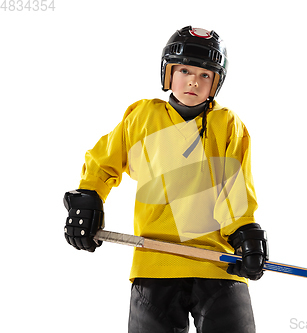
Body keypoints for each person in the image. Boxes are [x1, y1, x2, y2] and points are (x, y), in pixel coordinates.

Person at [63, 26, 268, 333]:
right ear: (168, 72)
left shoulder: (228, 124)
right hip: (155, 262)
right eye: (185, 70)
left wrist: (245, 232)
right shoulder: (142, 117)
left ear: (216, 83)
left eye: (205, 75)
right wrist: (88, 198)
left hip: (219, 264)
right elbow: (103, 162)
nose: (193, 81)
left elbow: (235, 187)